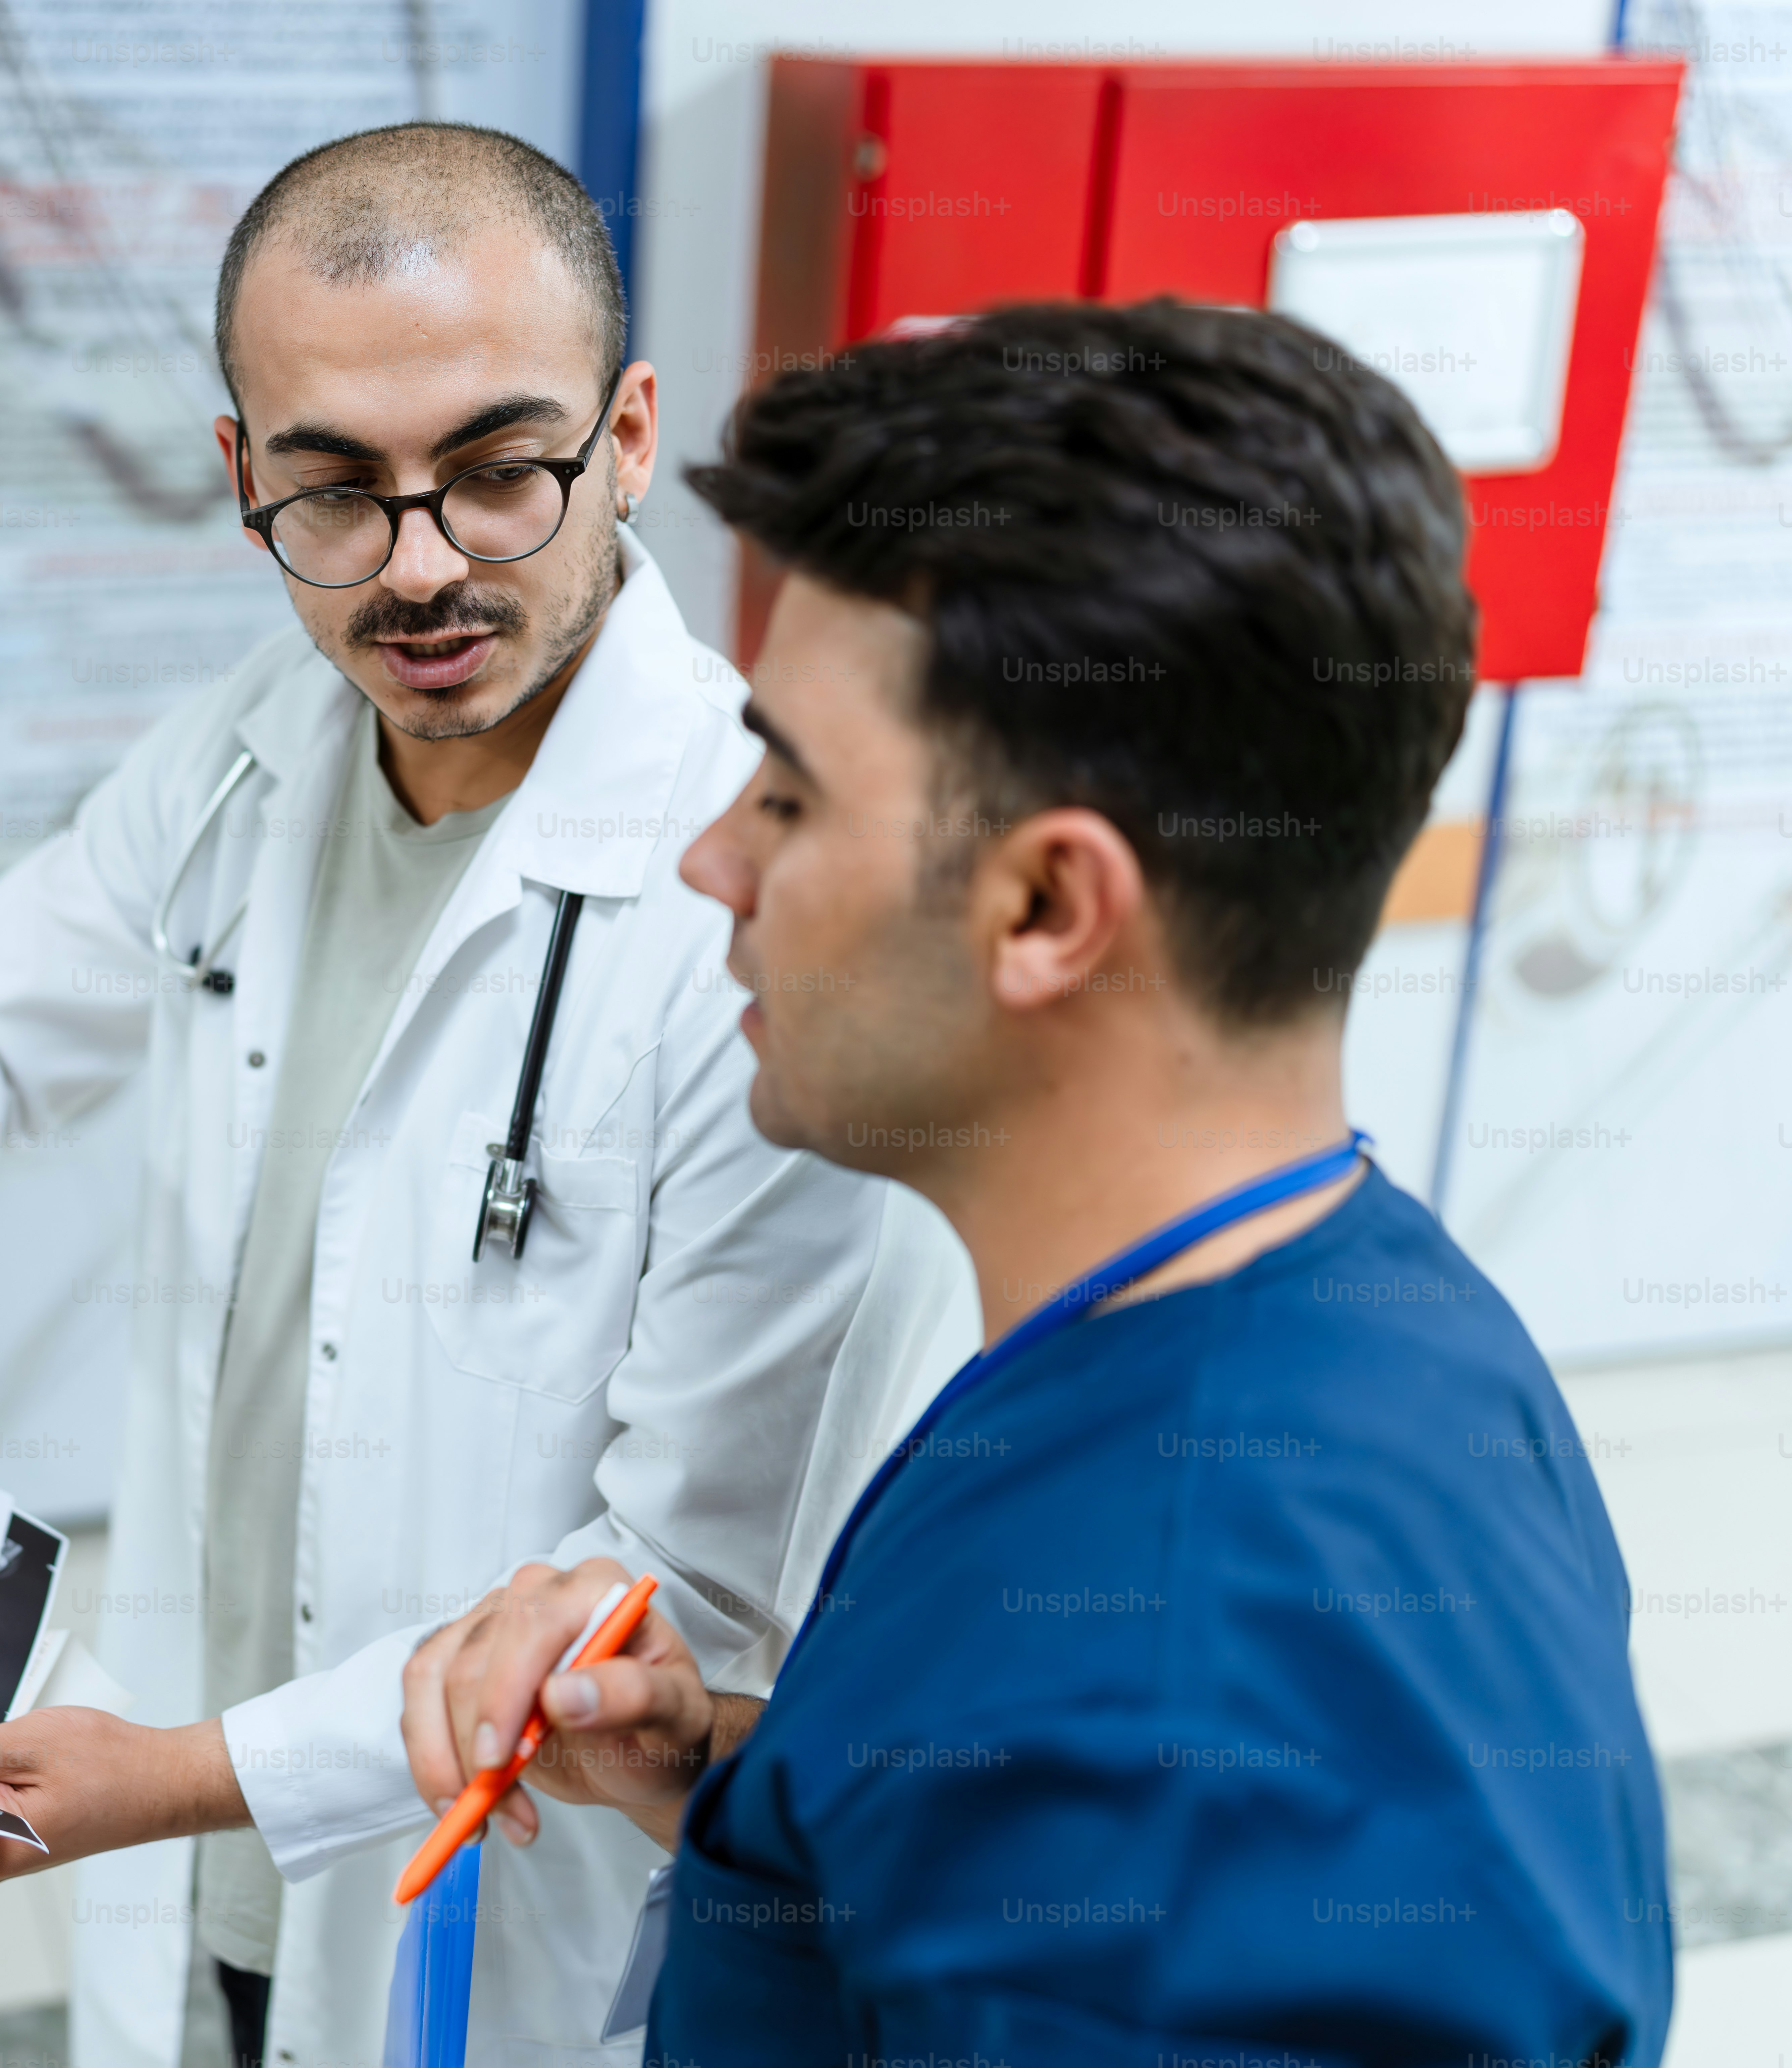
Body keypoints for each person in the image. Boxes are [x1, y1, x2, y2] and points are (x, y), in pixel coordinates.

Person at [0, 124, 977, 2068]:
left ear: (632, 434)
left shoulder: (752, 903)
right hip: (191, 1827)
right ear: (243, 474)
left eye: (500, 473)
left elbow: (662, 1617)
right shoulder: (256, 747)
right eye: (332, 492)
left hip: (482, 1905)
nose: (418, 570)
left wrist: (170, 1773)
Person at [397, 300, 1672, 2065]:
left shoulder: (1167, 1690)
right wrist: (751, 1786)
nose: (711, 859)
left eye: (787, 792)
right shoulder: (1367, 1316)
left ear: (1045, 911)